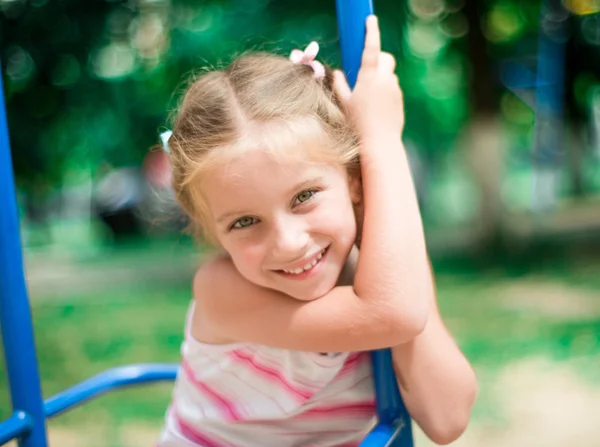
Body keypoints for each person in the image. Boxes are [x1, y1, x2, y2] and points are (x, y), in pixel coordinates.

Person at [157, 16, 477, 447]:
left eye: (304, 196)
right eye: (245, 222)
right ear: (212, 231)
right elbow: (394, 314)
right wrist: (382, 138)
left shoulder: (385, 276)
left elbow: (447, 417)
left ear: (354, 181)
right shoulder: (220, 290)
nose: (289, 243)